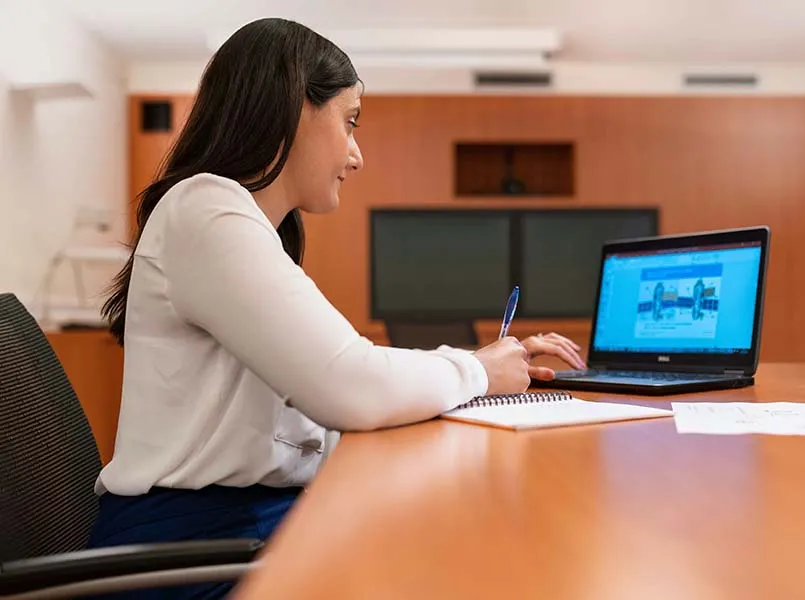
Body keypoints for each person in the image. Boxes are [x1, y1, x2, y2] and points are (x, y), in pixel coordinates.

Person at [87, 17, 585, 598]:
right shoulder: (205, 207)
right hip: (187, 557)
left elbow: (346, 370)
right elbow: (347, 382)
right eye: (349, 123)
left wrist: (480, 364)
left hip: (237, 534)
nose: (356, 155)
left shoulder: (234, 223)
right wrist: (476, 370)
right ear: (295, 107)